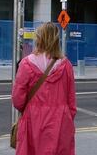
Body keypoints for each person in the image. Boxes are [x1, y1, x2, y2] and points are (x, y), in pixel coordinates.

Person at [11, 22, 76, 155]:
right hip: (60, 121)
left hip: (33, 120)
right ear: (56, 40)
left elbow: (18, 100)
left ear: (39, 39)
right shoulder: (66, 65)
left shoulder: (26, 63)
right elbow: (71, 101)